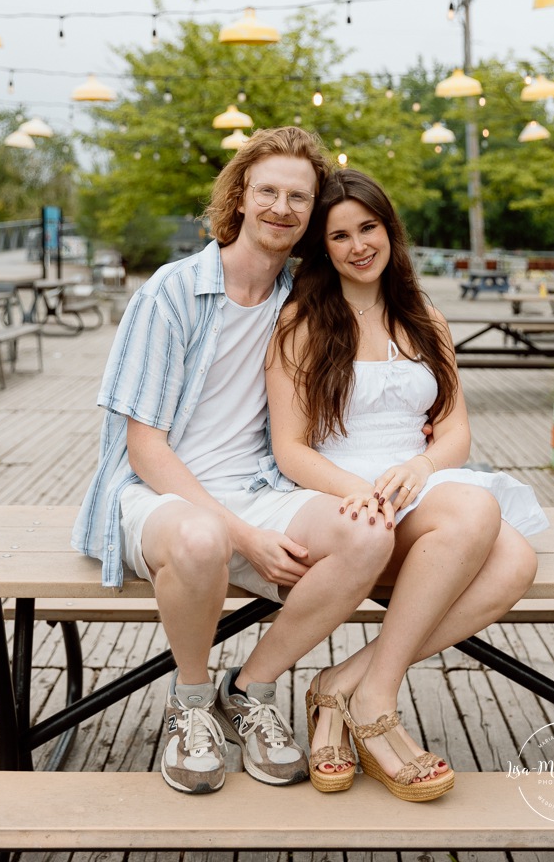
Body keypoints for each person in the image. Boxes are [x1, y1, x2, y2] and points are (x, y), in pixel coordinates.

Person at [72, 131, 395, 796]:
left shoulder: (299, 301)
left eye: (298, 197)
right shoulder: (171, 293)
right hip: (156, 495)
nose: (282, 206)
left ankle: (249, 691)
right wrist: (243, 536)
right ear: (239, 198)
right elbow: (146, 448)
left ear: (310, 212)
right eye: (268, 191)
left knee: (368, 532)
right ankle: (189, 708)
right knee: (201, 536)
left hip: (260, 485)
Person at [266, 168, 547, 802]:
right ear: (322, 247)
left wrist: (421, 468)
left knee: (515, 559)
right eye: (339, 235)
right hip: (339, 498)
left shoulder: (423, 316)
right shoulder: (301, 323)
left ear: (389, 229)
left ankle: (349, 686)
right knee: (477, 514)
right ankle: (375, 705)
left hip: (420, 488)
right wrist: (354, 491)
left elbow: (454, 431)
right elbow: (289, 447)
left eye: (369, 227)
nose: (358, 245)